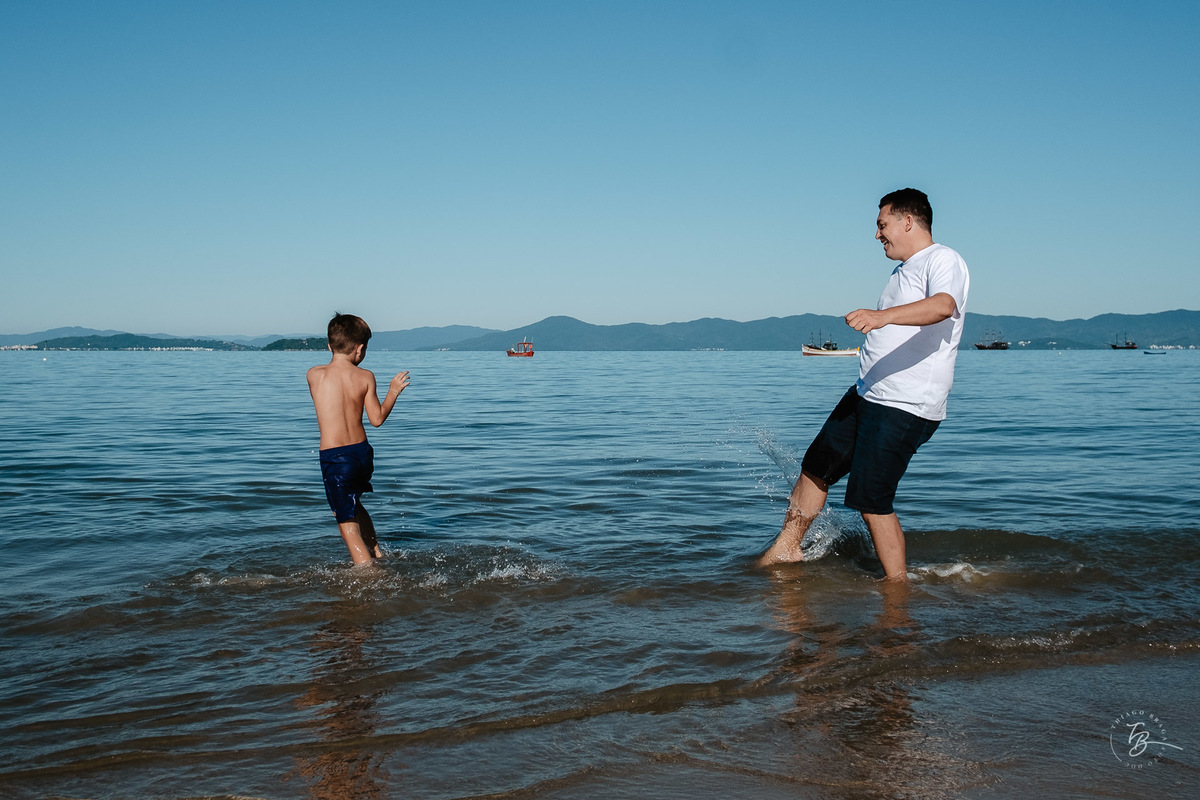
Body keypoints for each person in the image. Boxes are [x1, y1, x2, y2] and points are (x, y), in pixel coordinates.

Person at [757, 188, 970, 580]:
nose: (877, 235)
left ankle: (897, 591)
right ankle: (786, 548)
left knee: (872, 500)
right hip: (868, 394)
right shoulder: (901, 271)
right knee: (816, 467)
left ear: (908, 221)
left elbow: (944, 306)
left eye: (882, 224)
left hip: (904, 405)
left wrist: (881, 316)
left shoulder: (943, 259)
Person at [307, 313, 410, 565]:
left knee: (347, 525)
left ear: (329, 345)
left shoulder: (314, 375)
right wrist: (393, 392)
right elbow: (377, 419)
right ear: (360, 349)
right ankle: (377, 553)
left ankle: (368, 576)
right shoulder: (366, 377)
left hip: (335, 458)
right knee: (356, 503)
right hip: (362, 455)